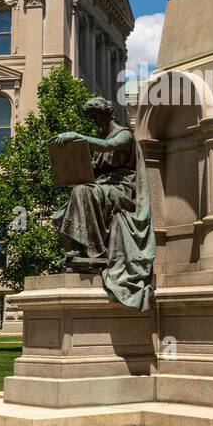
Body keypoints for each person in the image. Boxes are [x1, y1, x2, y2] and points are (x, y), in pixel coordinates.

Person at [51, 97, 155, 310]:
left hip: (124, 190)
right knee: (65, 208)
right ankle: (79, 251)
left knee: (84, 192)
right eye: (91, 118)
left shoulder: (124, 134)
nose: (94, 121)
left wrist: (78, 138)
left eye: (96, 116)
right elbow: (95, 169)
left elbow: (109, 146)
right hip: (103, 187)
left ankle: (94, 251)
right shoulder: (100, 140)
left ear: (107, 113)